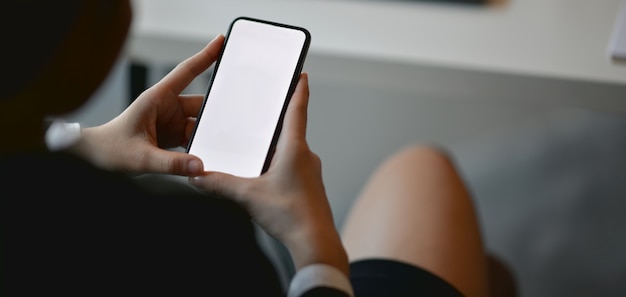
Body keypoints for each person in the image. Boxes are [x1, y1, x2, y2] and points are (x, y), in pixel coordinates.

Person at [0, 1, 516, 296]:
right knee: (423, 170)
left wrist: (83, 144)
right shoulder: (186, 245)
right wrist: (317, 250)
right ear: (79, 49)